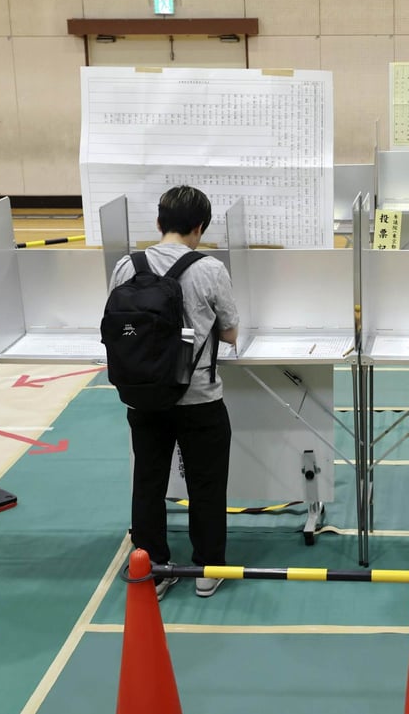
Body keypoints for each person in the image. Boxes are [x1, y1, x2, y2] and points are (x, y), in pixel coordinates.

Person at [108, 185, 239, 600]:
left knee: (148, 481)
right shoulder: (209, 269)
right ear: (199, 227)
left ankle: (154, 568)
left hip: (143, 395)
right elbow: (231, 333)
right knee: (206, 483)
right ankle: (207, 569)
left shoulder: (126, 266)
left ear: (159, 221)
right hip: (198, 396)